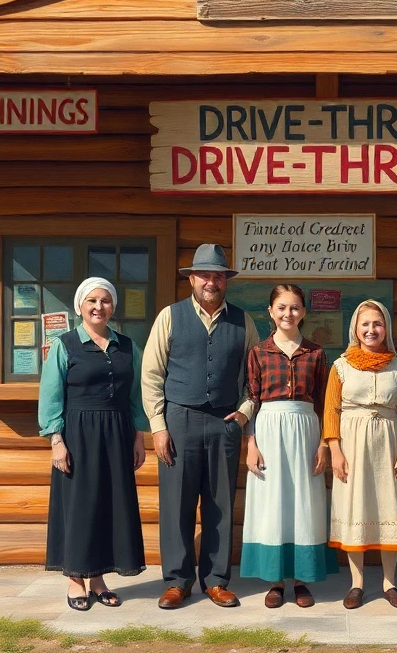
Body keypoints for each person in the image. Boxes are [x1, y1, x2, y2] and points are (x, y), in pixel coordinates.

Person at [141, 244, 259, 610]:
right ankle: (178, 581)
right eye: (205, 275)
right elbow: (151, 375)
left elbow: (255, 379)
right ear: (191, 279)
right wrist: (158, 427)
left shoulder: (244, 321)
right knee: (176, 504)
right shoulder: (170, 317)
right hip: (179, 422)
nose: (212, 281)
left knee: (219, 505)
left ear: (226, 282)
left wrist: (243, 412)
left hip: (224, 423)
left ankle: (216, 581)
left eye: (218, 275)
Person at [38, 277, 148, 610]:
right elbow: (51, 396)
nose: (98, 307)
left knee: (109, 505)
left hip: (117, 433)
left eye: (105, 301)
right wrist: (56, 440)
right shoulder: (65, 345)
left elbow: (136, 397)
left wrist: (138, 437)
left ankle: (98, 579)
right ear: (80, 307)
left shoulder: (127, 346)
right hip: (78, 434)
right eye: (92, 301)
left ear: (112, 306)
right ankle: (75, 578)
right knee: (79, 505)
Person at [239, 284, 338, 608]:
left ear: (304, 312)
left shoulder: (316, 353)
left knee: (304, 503)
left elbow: (325, 402)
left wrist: (324, 445)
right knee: (273, 505)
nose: (288, 313)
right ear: (271, 311)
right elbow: (252, 399)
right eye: (281, 307)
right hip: (268, 429)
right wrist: (251, 443)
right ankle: (275, 581)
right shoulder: (258, 353)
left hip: (306, 429)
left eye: (294, 307)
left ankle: (301, 579)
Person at [323, 299, 397, 610]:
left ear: (385, 328)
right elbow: (331, 411)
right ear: (356, 329)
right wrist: (335, 450)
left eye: (377, 323)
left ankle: (390, 583)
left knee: (389, 506)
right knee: (355, 508)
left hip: (388, 443)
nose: (371, 329)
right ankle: (357, 583)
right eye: (365, 324)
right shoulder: (341, 366)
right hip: (352, 442)